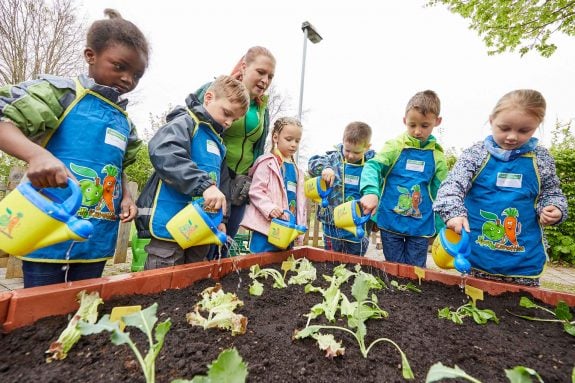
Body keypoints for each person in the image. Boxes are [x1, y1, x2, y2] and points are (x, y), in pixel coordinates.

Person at [0, 9, 149, 288]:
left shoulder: (124, 121)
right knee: (43, 310)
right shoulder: (61, 93)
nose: (128, 79)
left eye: (137, 74)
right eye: (119, 66)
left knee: (85, 303)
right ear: (90, 56)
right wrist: (37, 154)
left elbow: (118, 167)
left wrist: (126, 196)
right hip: (48, 227)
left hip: (97, 232)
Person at [433, 89, 567, 286]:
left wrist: (554, 208)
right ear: (491, 120)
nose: (512, 137)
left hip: (523, 262)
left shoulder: (541, 159)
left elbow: (552, 193)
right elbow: (452, 186)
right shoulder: (475, 154)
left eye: (524, 131)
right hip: (477, 257)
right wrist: (453, 213)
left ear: (536, 127)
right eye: (504, 128)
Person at [136, 76, 250, 269]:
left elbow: (223, 187)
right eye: (226, 113)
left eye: (235, 119)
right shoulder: (185, 123)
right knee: (164, 277)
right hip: (171, 223)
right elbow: (165, 153)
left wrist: (222, 219)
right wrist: (204, 185)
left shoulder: (219, 145)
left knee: (194, 275)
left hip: (201, 228)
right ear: (208, 98)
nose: (229, 122)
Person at [195, 46, 276, 258]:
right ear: (244, 67)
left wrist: (252, 175)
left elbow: (258, 146)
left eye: (270, 76)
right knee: (204, 239)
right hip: (212, 176)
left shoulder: (262, 109)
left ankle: (218, 285)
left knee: (226, 240)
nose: (265, 80)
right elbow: (191, 123)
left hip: (239, 183)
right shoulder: (215, 91)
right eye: (260, 72)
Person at [360, 90, 447, 267]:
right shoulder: (394, 147)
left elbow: (443, 189)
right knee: (394, 268)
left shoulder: (437, 155)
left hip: (420, 225)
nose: (417, 131)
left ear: (437, 122)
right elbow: (373, 166)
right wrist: (371, 192)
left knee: (415, 270)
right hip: (391, 221)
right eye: (412, 125)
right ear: (404, 121)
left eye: (424, 125)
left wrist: (443, 222)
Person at [307, 122, 375, 255]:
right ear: (343, 141)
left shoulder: (372, 164)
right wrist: (326, 168)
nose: (350, 155)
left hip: (358, 224)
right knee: (331, 260)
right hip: (332, 223)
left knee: (355, 262)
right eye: (347, 150)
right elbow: (312, 164)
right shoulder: (332, 160)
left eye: (356, 152)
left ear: (367, 147)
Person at [240, 117, 306, 253]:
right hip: (267, 227)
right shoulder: (267, 163)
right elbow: (256, 191)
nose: (293, 144)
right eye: (289, 139)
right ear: (275, 137)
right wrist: (269, 208)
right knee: (260, 263)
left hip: (288, 229)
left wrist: (300, 226)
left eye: (297, 141)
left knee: (283, 265)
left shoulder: (297, 170)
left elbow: (300, 203)